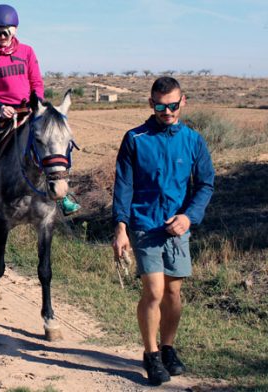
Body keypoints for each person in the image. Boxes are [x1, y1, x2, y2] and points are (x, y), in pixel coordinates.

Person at [112, 76, 214, 386]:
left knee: (173, 293)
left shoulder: (193, 140)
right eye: (160, 106)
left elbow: (206, 183)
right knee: (154, 291)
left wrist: (189, 217)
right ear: (150, 103)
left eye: (172, 105)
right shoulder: (135, 138)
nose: (166, 111)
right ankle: (151, 354)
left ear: (183, 102)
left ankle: (167, 347)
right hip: (145, 225)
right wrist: (120, 228)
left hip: (177, 229)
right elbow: (123, 186)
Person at [0, 4, 80, 224]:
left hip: (28, 110)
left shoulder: (27, 52)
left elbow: (36, 82)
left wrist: (37, 104)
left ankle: (63, 197)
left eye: (5, 31)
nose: (0, 36)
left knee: (54, 143)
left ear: (14, 29)